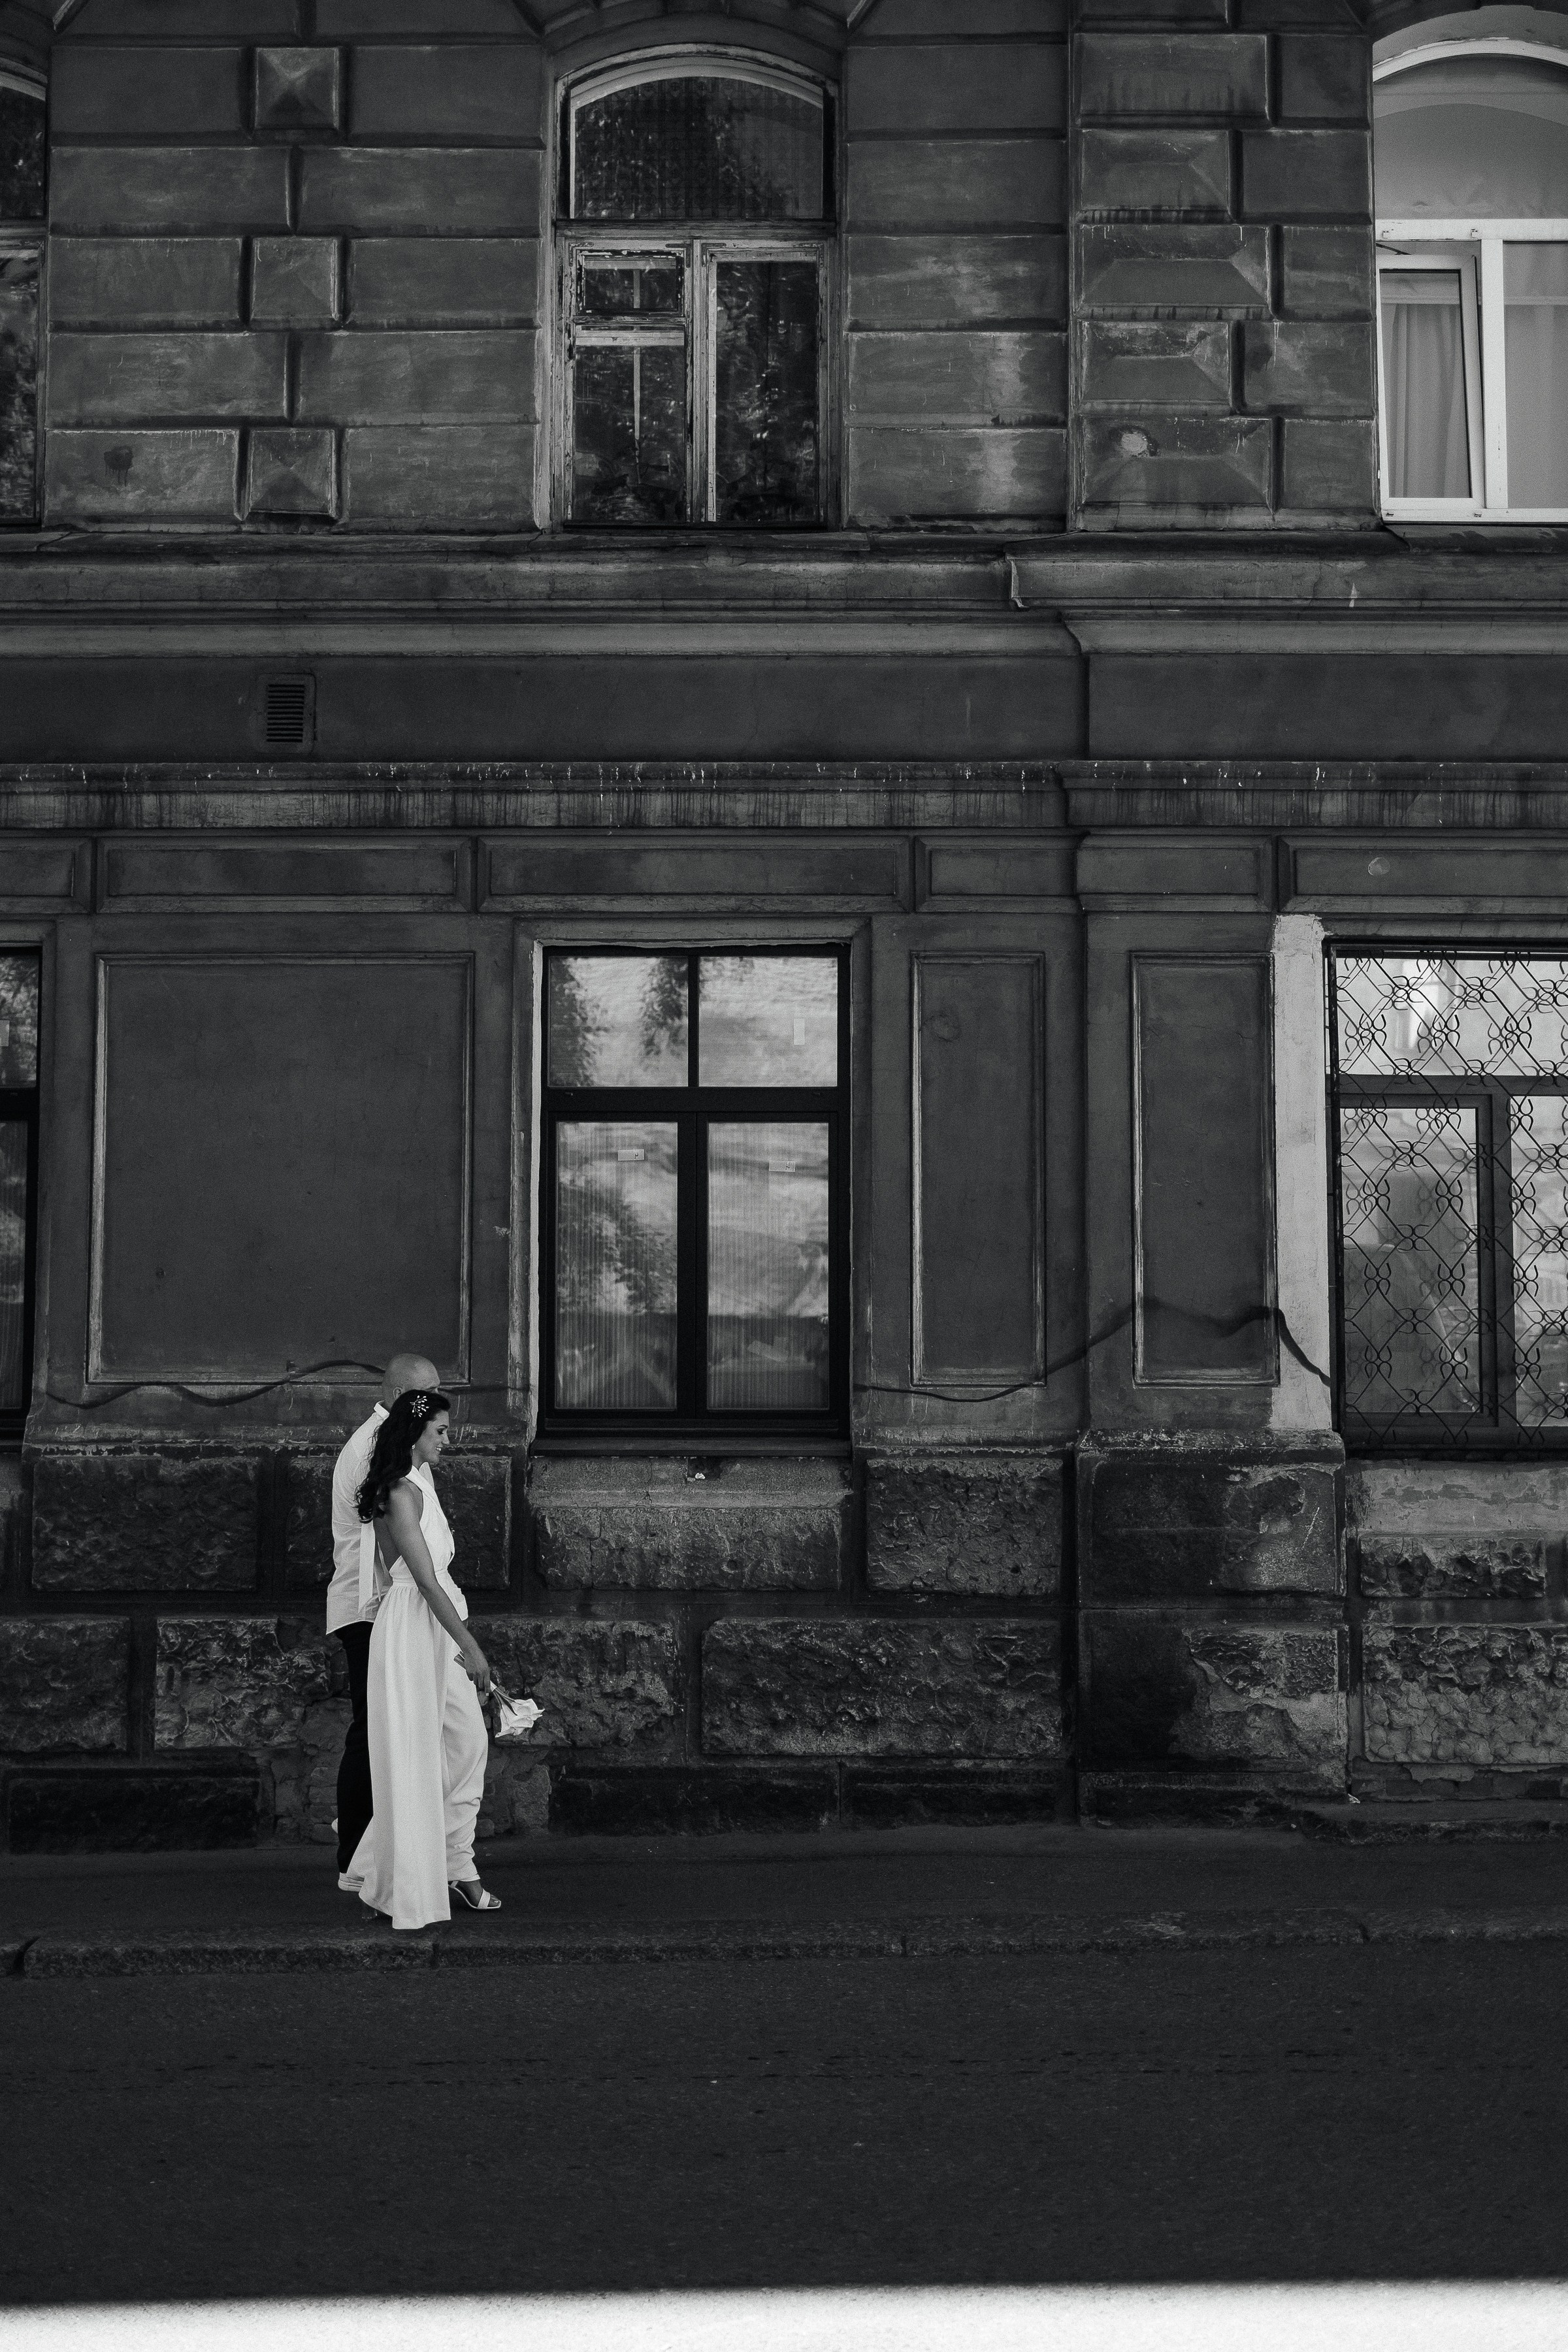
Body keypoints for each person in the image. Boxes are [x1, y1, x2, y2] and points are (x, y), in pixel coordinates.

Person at [348, 1389, 500, 1931]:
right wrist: (472, 1648)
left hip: (437, 1626)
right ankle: (395, 1885)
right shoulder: (397, 1493)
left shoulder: (420, 1483)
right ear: (414, 1433)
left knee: (466, 1742)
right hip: (416, 1628)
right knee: (415, 1756)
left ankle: (441, 1863)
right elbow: (425, 1581)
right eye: (439, 1430)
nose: (447, 1439)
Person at [326, 1352, 440, 1889]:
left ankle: (374, 1849)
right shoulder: (376, 1446)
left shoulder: (390, 1440)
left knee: (381, 1732)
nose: (437, 1404)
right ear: (398, 1397)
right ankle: (355, 1857)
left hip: (380, 1605)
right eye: (426, 1396)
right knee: (371, 1734)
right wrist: (405, 1606)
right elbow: (387, 1536)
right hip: (371, 1608)